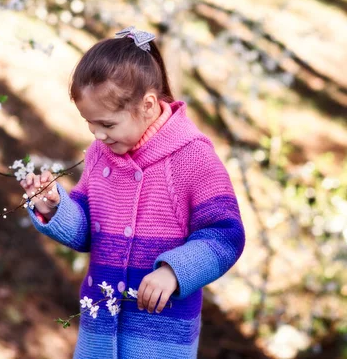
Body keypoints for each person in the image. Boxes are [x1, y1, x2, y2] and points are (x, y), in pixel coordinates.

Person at [19, 27, 246, 358]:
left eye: (108, 125)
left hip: (159, 339)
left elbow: (226, 235)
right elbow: (86, 231)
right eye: (90, 124)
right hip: (99, 333)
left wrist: (175, 271)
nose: (97, 136)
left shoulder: (192, 158)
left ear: (149, 105)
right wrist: (54, 207)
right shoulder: (100, 154)